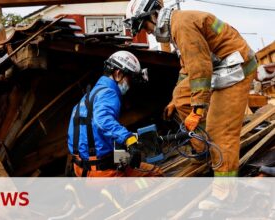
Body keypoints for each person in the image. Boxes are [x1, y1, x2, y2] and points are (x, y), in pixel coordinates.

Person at [125, 0, 257, 208]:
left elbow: (200, 69)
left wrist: (197, 109)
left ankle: (225, 193)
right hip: (218, 66)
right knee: (180, 95)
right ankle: (203, 148)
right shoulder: (176, 25)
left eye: (145, 27)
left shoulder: (182, 26)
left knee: (221, 132)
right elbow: (187, 68)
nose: (148, 33)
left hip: (236, 69)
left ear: (153, 16)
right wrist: (175, 100)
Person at [67, 50, 162, 177]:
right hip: (100, 169)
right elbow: (102, 120)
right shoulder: (109, 93)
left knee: (133, 159)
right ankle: (118, 193)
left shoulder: (89, 96)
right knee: (155, 173)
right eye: (130, 79)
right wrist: (128, 139)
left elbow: (92, 131)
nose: (130, 85)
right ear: (118, 74)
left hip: (81, 165)